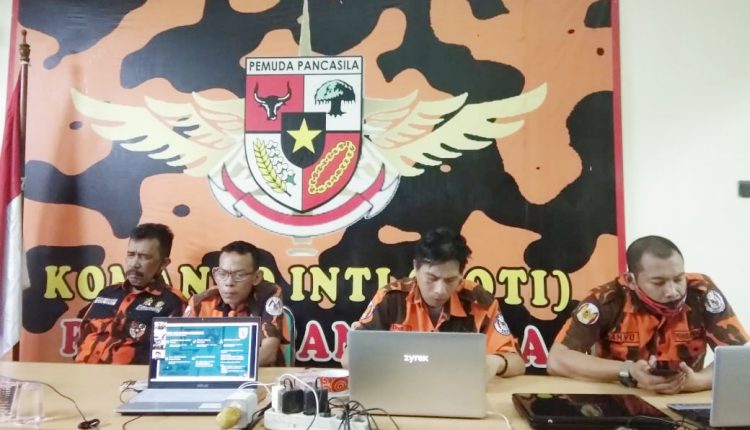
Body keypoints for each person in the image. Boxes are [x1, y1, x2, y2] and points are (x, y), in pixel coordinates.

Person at [547, 235, 748, 393]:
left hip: (686, 399)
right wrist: (628, 371)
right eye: (658, 282)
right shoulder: (608, 299)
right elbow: (557, 360)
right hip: (622, 399)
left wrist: (697, 381)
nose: (673, 291)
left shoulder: (701, 292)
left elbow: (741, 358)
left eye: (679, 279)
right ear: (631, 280)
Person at [343, 227, 525, 378]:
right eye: (432, 278)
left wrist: (496, 362)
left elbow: (517, 363)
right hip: (398, 386)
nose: (440, 290)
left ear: (461, 274)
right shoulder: (391, 298)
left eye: (450, 280)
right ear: (416, 268)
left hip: (456, 394)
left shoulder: (479, 301)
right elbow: (348, 357)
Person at [75, 223, 186, 364]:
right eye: (131, 255)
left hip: (131, 378)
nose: (134, 264)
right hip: (81, 372)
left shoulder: (173, 302)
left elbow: (173, 358)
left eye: (144, 257)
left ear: (163, 264)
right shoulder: (107, 293)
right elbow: (82, 336)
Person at [184, 241, 288, 366]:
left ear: (256, 278)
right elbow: (183, 350)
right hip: (209, 374)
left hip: (261, 375)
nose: (229, 283)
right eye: (222, 274)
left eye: (239, 275)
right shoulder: (200, 302)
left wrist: (227, 369)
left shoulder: (268, 295)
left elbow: (269, 353)